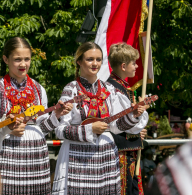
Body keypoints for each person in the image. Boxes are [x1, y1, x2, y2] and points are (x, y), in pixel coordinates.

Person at [0, 37, 73, 195]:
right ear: (5, 59)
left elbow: (42, 128)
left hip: (37, 158)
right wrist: (6, 129)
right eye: (17, 59)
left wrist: (55, 115)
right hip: (6, 159)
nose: (23, 64)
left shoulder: (38, 89)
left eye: (27, 59)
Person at [52, 42, 147, 195]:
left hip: (105, 156)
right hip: (78, 159)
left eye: (98, 59)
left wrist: (133, 116)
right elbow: (60, 130)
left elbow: (116, 126)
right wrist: (89, 129)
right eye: (90, 59)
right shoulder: (71, 89)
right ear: (79, 61)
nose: (95, 63)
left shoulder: (109, 89)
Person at [106, 42, 149, 195]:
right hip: (120, 152)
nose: (137, 66)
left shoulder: (123, 88)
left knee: (132, 189)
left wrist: (138, 132)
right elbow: (120, 124)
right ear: (123, 66)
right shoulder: (113, 90)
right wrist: (138, 122)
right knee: (124, 190)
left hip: (127, 150)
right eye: (134, 63)